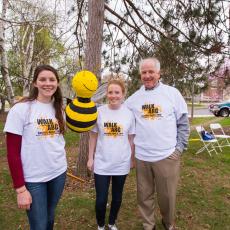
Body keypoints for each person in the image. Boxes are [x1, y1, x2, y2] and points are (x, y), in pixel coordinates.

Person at [125, 58, 190, 230]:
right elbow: (119, 116)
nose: (147, 76)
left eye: (151, 72)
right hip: (142, 157)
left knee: (167, 197)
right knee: (144, 195)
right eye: (144, 72)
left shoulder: (172, 93)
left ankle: (168, 224)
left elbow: (183, 123)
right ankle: (149, 225)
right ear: (140, 75)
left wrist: (179, 149)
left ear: (158, 73)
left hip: (167, 156)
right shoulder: (133, 99)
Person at [4, 65, 67, 230]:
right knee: (39, 225)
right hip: (33, 179)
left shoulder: (59, 108)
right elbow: (12, 153)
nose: (48, 83)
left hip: (58, 173)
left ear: (58, 83)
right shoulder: (20, 109)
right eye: (43, 79)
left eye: (52, 79)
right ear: (35, 83)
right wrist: (20, 189)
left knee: (50, 217)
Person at [87, 78, 135, 230]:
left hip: (122, 162)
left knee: (117, 198)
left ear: (123, 94)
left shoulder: (129, 114)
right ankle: (101, 225)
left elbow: (131, 138)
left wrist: (132, 159)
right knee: (101, 200)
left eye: (117, 92)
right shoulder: (99, 112)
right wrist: (90, 158)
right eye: (110, 92)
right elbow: (93, 136)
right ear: (106, 94)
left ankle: (112, 222)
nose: (113, 95)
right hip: (102, 162)